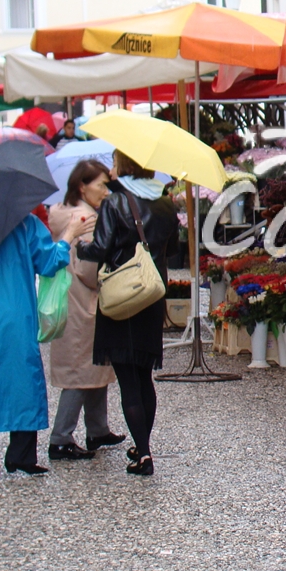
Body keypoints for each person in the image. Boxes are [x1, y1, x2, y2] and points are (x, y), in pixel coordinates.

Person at [0, 209, 93, 479]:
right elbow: (50, 261)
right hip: (15, 315)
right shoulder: (24, 223)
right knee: (23, 381)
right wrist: (70, 234)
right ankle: (21, 455)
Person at [77, 150, 179, 476]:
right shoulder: (164, 202)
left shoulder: (115, 201)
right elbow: (174, 248)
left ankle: (144, 454)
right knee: (144, 376)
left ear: (122, 165)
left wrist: (79, 246)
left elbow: (101, 247)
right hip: (151, 293)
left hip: (122, 295)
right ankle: (142, 445)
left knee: (128, 382)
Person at [45, 160, 125, 462]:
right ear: (82, 186)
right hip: (83, 300)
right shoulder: (86, 219)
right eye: (101, 185)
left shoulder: (64, 213)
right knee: (80, 371)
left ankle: (98, 428)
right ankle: (61, 437)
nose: (105, 191)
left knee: (93, 364)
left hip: (72, 299)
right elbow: (88, 268)